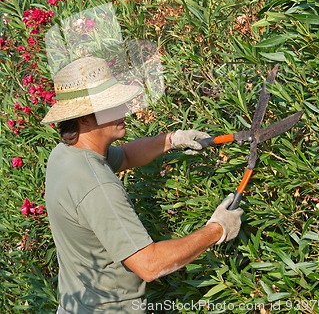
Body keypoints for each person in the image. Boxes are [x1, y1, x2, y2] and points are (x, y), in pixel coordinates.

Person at [43, 55, 243, 313]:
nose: (123, 108)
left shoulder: (64, 155)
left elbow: (125, 156)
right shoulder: (97, 187)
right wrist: (217, 230)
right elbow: (149, 265)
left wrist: (171, 139)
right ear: (84, 119)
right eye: (110, 104)